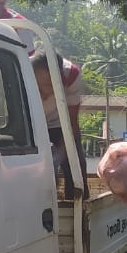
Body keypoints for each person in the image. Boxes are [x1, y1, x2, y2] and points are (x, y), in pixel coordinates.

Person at [31, 51, 87, 194]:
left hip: (61, 123)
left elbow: (72, 123)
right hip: (32, 124)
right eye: (37, 85)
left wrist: (60, 155)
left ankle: (78, 206)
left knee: (75, 168)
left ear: (59, 80)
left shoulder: (72, 76)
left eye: (48, 86)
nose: (42, 92)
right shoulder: (18, 67)